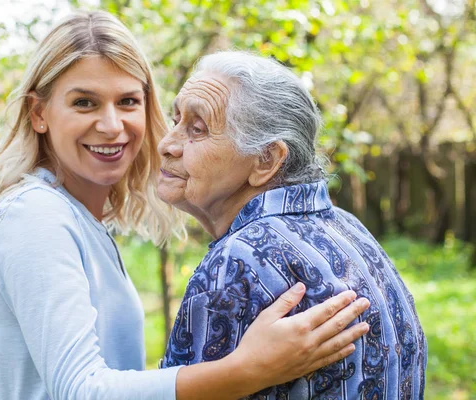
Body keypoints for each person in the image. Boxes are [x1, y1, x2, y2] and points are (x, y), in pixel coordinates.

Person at [0, 11, 371, 400]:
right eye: (84, 103)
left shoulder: (77, 218)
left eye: (127, 102)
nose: (111, 125)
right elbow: (82, 390)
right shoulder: (35, 216)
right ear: (39, 114)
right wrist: (249, 369)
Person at [157, 51, 427, 399]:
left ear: (266, 160)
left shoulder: (240, 258)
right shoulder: (347, 226)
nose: (167, 144)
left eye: (197, 129)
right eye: (174, 119)